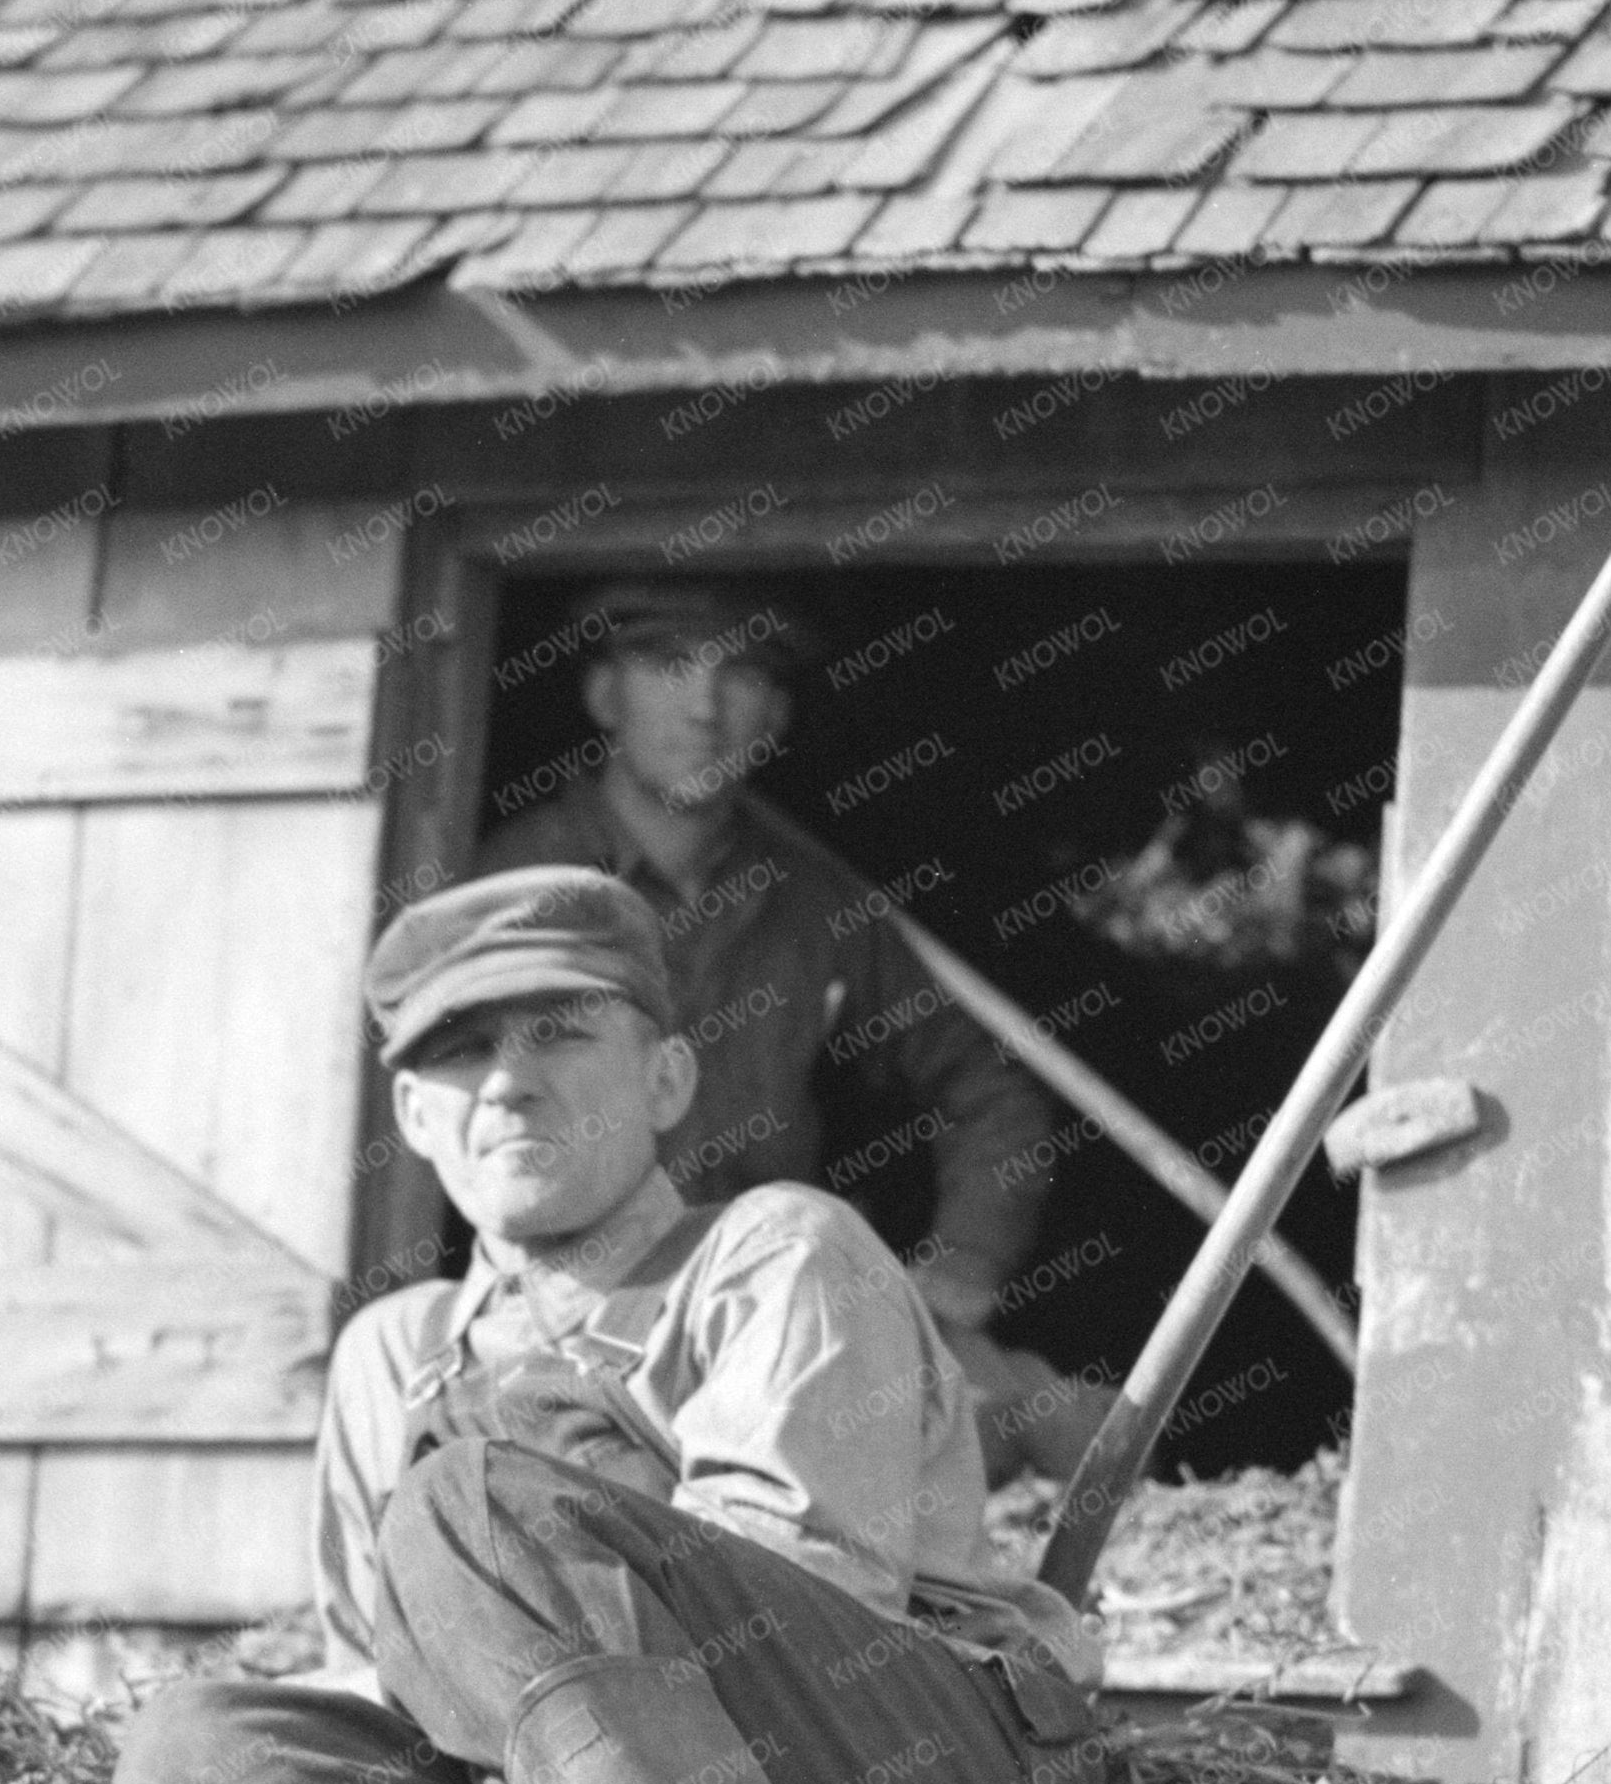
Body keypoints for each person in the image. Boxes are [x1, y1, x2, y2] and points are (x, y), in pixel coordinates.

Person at [115, 868, 1109, 1784]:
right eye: (462, 1052)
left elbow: (808, 1601)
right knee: (183, 1758)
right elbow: (381, 1693)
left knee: (468, 1507)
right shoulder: (392, 1357)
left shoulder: (773, 1252)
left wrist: (525, 1515)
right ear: (415, 1116)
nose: (508, 1084)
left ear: (667, 1078)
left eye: (560, 1034)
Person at [449, 578, 1118, 1476]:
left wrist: (962, 1266)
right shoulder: (513, 888)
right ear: (604, 695)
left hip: (772, 1298)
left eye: (743, 675)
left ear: (776, 716)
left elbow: (989, 1094)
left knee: (1069, 1426)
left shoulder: (816, 901)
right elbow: (433, 1111)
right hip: (573, 1312)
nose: (704, 707)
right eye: (668, 665)